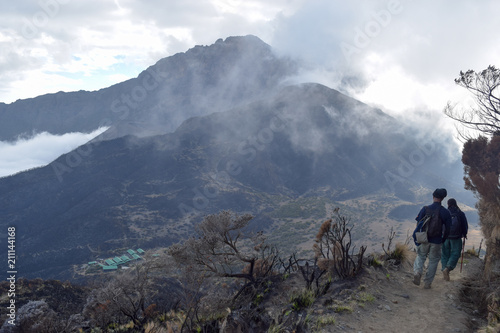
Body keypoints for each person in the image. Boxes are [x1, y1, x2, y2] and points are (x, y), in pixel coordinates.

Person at [412, 188, 452, 289]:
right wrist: (443, 239)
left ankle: (417, 272)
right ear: (443, 198)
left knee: (421, 256)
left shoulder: (425, 209)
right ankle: (427, 283)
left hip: (424, 239)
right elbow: (448, 229)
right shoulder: (445, 212)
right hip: (437, 241)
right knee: (433, 261)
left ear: (433, 196)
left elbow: (418, 223)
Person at [441, 198, 468, 281]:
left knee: (445, 253)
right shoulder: (460, 213)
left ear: (448, 204)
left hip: (445, 237)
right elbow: (465, 225)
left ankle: (444, 269)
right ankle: (448, 268)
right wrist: (464, 234)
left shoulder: (445, 212)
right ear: (455, 204)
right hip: (456, 237)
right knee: (456, 253)